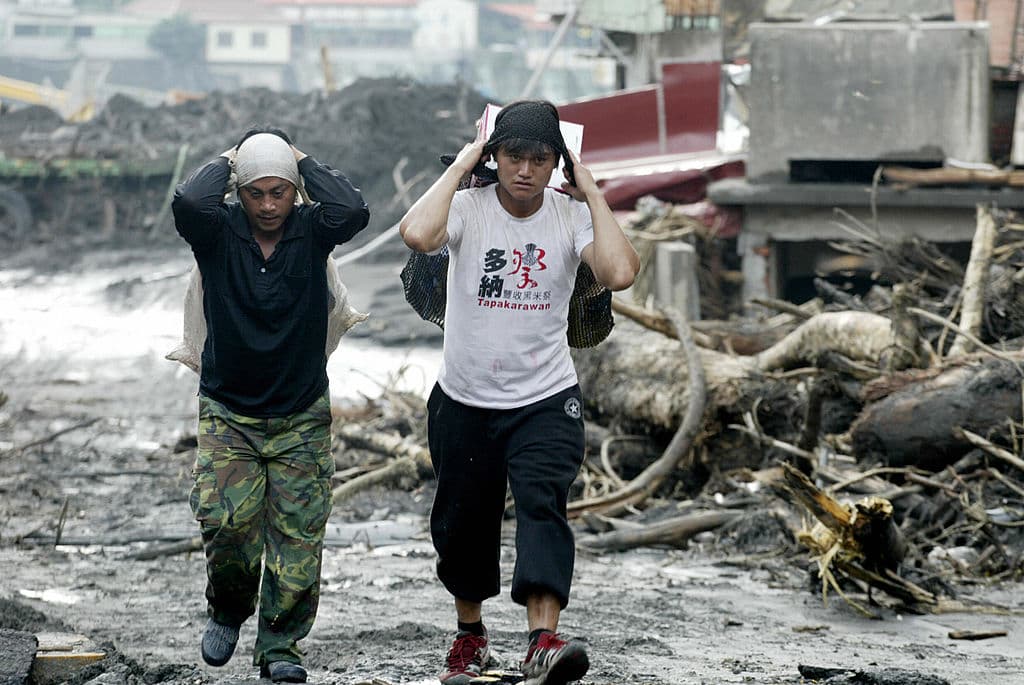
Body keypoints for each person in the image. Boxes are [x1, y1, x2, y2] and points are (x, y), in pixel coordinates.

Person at [399, 100, 640, 685]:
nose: (526, 170)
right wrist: (460, 167)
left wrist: (592, 192)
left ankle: (542, 640)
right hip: (464, 398)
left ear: (556, 162)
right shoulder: (468, 206)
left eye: (540, 158)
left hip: (545, 398)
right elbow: (416, 233)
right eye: (514, 157)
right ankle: (470, 638)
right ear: (495, 156)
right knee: (462, 523)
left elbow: (620, 272)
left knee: (541, 506)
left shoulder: (567, 214)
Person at [171, 126, 369, 682]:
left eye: (278, 191)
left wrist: (299, 159)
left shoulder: (312, 230)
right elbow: (189, 200)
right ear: (239, 191)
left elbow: (352, 209)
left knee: (298, 534)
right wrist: (232, 157)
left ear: (295, 192)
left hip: (301, 413)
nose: (266, 205)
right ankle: (228, 609)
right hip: (229, 412)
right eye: (255, 192)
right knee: (224, 521)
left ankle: (280, 647)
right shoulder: (216, 233)